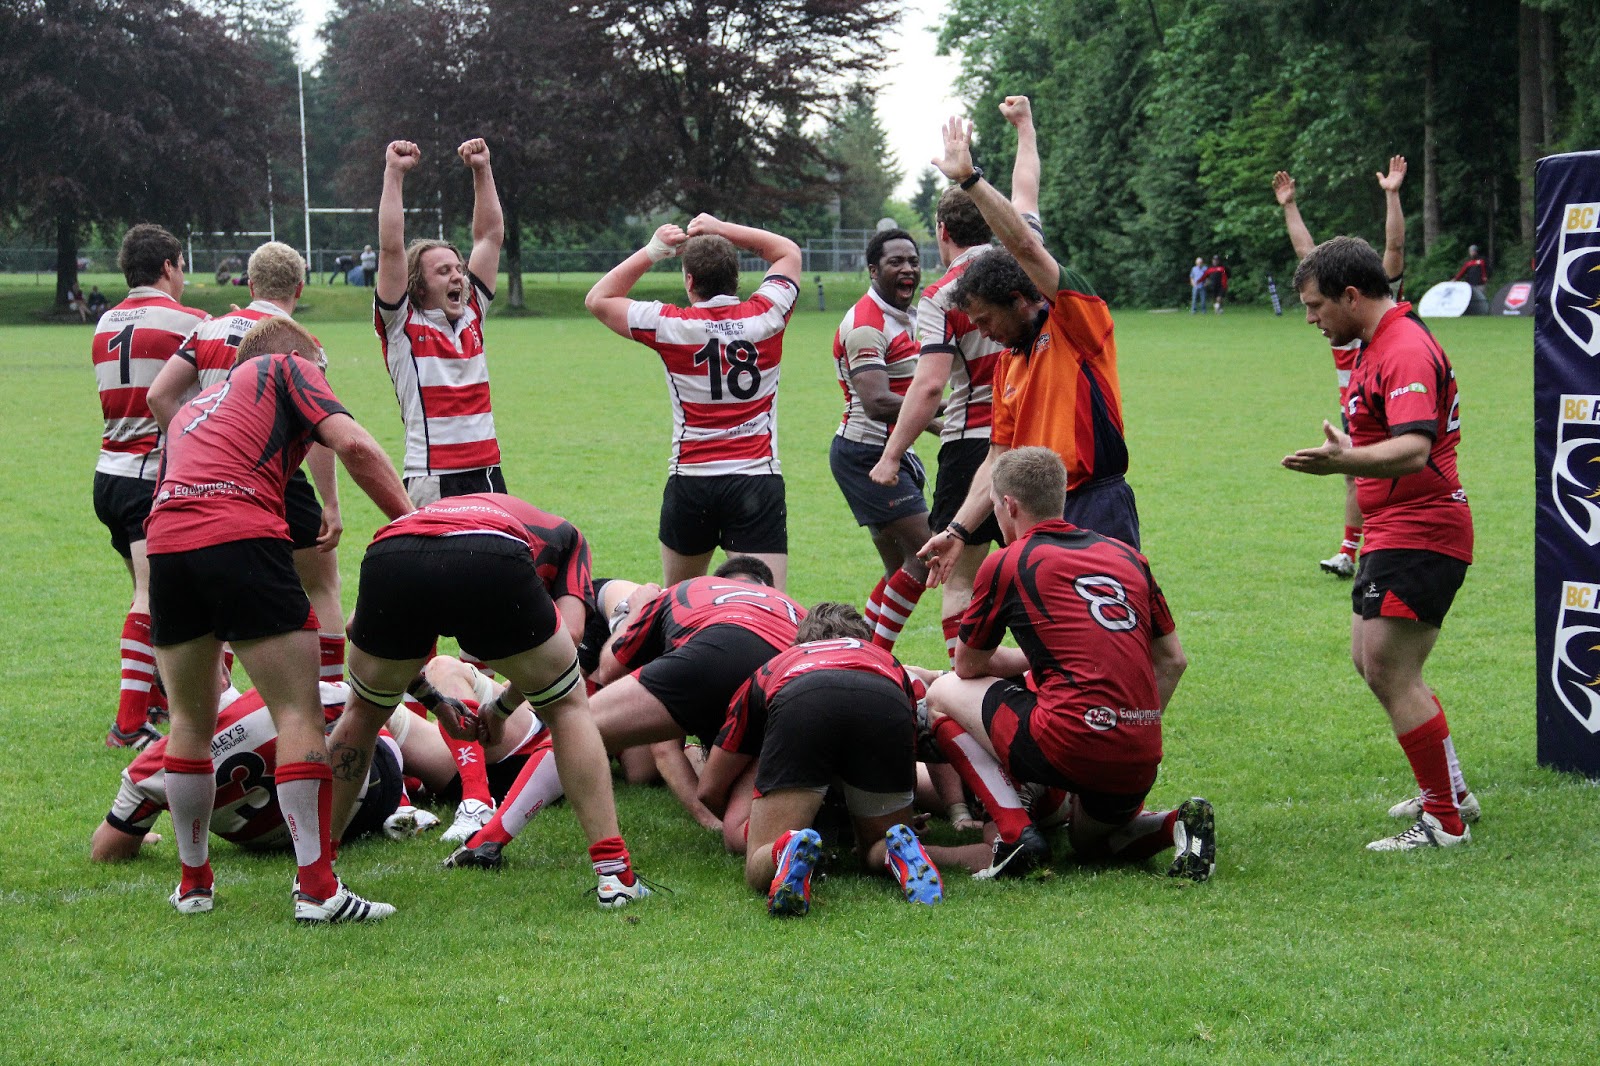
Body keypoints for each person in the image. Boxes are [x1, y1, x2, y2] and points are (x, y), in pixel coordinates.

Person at [147, 315, 413, 921]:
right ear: (307, 354)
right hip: (235, 532)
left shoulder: (195, 407)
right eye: (324, 366)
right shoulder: (288, 367)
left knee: (190, 720)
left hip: (166, 541)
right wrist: (411, 524)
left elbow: (193, 479)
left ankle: (194, 886)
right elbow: (355, 445)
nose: (325, 378)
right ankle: (318, 889)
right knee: (297, 712)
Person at [327, 490, 652, 906]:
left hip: (392, 547)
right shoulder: (566, 537)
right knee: (569, 706)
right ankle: (614, 873)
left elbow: (356, 627)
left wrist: (435, 701)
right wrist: (501, 708)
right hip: (490, 552)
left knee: (364, 711)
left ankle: (317, 880)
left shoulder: (437, 516)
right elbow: (570, 639)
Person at [925, 448, 1214, 881]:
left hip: (1068, 740)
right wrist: (1124, 722)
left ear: (1010, 506)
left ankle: (1013, 836)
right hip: (1139, 747)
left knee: (941, 693)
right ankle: (1177, 824)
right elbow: (1173, 661)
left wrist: (1032, 666)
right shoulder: (1128, 557)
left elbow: (968, 665)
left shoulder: (1008, 560)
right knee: (1090, 845)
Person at [1283, 236, 1479, 851]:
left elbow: (1415, 447)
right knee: (1375, 663)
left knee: (1392, 670)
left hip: (1422, 529)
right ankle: (1451, 791)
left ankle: (1445, 819)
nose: (1311, 319)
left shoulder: (1402, 349)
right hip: (1396, 529)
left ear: (1351, 295)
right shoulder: (1376, 342)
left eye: (1316, 306)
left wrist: (1346, 460)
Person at [919, 113, 1141, 594]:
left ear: (1020, 301)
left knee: (1112, 635)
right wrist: (957, 530)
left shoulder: (1076, 322)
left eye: (985, 321)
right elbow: (997, 458)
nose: (984, 334)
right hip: (1035, 515)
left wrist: (971, 181)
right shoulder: (1007, 365)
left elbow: (1022, 243)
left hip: (1095, 503)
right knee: (1053, 641)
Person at [872, 94, 1041, 664]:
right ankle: (1044, 670)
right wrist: (1024, 130)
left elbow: (928, 387)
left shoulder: (941, 296)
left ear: (942, 230)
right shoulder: (1024, 253)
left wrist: (892, 455)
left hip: (975, 443)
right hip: (1037, 434)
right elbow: (1025, 193)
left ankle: (961, 680)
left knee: (956, 574)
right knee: (1035, 566)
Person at [148, 241, 349, 690]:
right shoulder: (299, 342)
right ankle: (333, 693)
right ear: (299, 286)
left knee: (217, 587)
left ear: (251, 283)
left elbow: (159, 396)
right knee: (321, 584)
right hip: (276, 476)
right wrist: (330, 503)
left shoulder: (209, 328)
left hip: (200, 484)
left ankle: (223, 699)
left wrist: (188, 447)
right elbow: (319, 433)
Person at [584, 215, 801, 589]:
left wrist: (653, 251)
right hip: (754, 481)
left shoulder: (670, 325)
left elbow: (598, 299)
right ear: (737, 278)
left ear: (689, 281)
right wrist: (722, 227)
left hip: (692, 483)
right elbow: (786, 252)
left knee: (677, 607)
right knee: (768, 610)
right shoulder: (767, 315)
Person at [698, 603, 945, 915]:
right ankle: (896, 848)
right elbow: (905, 762)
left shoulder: (774, 665)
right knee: (875, 843)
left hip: (802, 697)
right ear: (864, 641)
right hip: (883, 696)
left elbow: (709, 787)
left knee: (758, 859)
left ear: (799, 641)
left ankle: (784, 847)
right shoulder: (888, 661)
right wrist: (900, 813)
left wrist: (757, 820)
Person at [582, 557, 804, 841]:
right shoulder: (794, 613)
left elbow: (613, 670)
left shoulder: (689, 592)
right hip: (782, 680)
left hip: (699, 652)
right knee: (639, 766)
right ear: (767, 590)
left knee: (582, 733)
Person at [91, 223, 209, 750]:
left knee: (151, 591)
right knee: (150, 592)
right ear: (168, 266)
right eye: (181, 266)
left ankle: (159, 694)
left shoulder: (105, 321)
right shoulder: (191, 322)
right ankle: (129, 721)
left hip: (107, 475)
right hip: (148, 475)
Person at [91, 682, 407, 862]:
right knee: (371, 714)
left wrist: (138, 835)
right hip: (366, 795)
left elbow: (105, 851)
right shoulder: (275, 698)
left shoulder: (149, 767)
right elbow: (370, 702)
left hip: (272, 843)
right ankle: (413, 800)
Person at [1274, 158, 1408, 579]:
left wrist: (1392, 194)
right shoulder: (1335, 313)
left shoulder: (1374, 315)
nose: (1314, 317)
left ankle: (1386, 545)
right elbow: (1307, 258)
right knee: (1354, 474)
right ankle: (1351, 551)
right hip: (1354, 402)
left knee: (1384, 470)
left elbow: (1395, 251)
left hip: (1390, 399)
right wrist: (1289, 205)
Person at [376, 137, 508, 506]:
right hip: (433, 478)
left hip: (487, 471)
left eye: (459, 269)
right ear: (417, 286)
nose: (457, 276)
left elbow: (489, 237)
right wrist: (394, 173)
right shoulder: (401, 324)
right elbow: (391, 247)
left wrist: (482, 169)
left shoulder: (472, 313)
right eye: (443, 271)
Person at [830, 228, 936, 652]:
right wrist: (946, 407)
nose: (908, 268)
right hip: (865, 456)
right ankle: (875, 655)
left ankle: (861, 652)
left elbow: (903, 395)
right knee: (927, 555)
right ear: (874, 270)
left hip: (884, 454)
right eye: (896, 262)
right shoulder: (865, 325)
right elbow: (876, 401)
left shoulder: (903, 315)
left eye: (912, 260)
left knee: (902, 568)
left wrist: (936, 425)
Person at [1453, 244, 1490, 313]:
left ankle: (1484, 312)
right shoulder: (1468, 263)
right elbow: (1462, 272)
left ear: (1476, 252)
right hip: (1470, 284)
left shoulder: (1481, 261)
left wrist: (1486, 277)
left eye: (1473, 251)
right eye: (1471, 251)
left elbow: (1486, 270)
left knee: (1481, 298)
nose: (1472, 253)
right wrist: (1455, 279)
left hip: (1480, 284)